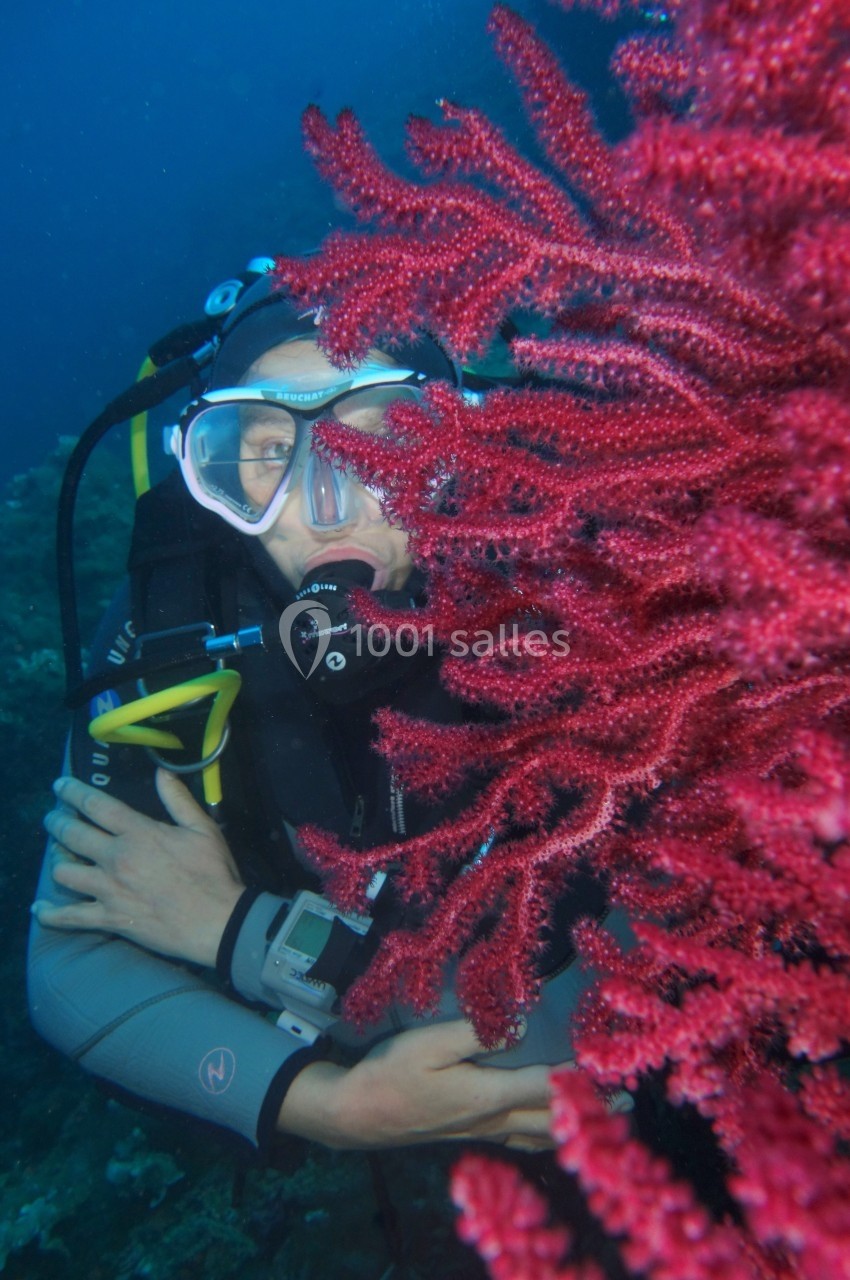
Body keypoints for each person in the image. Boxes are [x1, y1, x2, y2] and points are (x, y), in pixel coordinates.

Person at [28, 271, 616, 1155]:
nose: (325, 506)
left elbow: (566, 1041)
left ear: (456, 441)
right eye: (268, 452)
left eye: (383, 439)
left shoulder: (561, 595)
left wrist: (240, 934)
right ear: (209, 475)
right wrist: (327, 1108)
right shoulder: (178, 619)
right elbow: (65, 965)